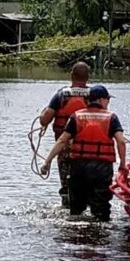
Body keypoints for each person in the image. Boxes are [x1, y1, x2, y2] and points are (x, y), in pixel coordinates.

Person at [40, 85, 127, 221]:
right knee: (101, 210)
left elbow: (62, 140)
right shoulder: (112, 118)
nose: (108, 102)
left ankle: (75, 237)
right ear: (99, 100)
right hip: (102, 169)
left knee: (76, 211)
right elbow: (121, 142)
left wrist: (47, 161)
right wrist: (123, 164)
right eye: (107, 99)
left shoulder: (77, 116)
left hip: (78, 167)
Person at [38, 61, 92, 207]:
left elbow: (44, 121)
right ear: (88, 78)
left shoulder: (60, 96)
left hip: (64, 150)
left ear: (71, 76)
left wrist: (45, 110)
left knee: (67, 186)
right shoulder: (95, 96)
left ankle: (68, 208)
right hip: (89, 152)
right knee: (87, 187)